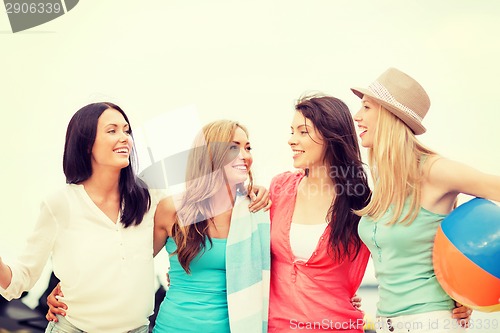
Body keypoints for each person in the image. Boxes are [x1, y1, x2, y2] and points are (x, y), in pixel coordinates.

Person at [351, 67, 498, 333]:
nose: (357, 116)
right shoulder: (385, 180)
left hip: (431, 321)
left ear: (389, 114)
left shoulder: (433, 170)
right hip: (386, 323)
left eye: (366, 107)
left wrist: (473, 286)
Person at [0, 102, 159, 332]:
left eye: (126, 130)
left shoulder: (150, 200)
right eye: (112, 130)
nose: (124, 137)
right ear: (86, 145)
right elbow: (19, 279)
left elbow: (189, 229)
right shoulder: (60, 204)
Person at [151, 120, 270, 333]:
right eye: (233, 147)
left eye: (248, 147)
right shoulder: (172, 209)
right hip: (173, 327)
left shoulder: (255, 210)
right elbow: (131, 262)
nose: (245, 155)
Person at [268, 95, 372, 333]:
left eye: (303, 132)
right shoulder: (278, 188)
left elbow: (398, 261)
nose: (291, 140)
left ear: (331, 137)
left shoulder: (361, 203)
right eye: (292, 131)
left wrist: (455, 298)